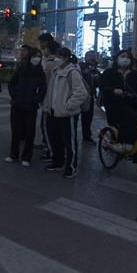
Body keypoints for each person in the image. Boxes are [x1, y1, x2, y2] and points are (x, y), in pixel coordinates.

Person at [99, 50, 137, 151]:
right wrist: (114, 91)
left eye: (127, 57)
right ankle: (123, 142)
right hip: (114, 104)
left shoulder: (134, 74)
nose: (125, 59)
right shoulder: (109, 73)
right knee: (131, 116)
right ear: (117, 58)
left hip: (131, 103)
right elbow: (102, 86)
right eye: (122, 56)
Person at [43, 47, 88, 178]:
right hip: (53, 112)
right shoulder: (56, 71)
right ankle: (57, 161)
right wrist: (47, 106)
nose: (57, 59)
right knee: (55, 139)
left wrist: (67, 106)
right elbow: (50, 90)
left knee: (70, 142)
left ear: (66, 58)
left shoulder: (72, 72)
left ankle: (71, 167)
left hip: (66, 114)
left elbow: (81, 93)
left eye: (59, 56)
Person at [5, 48, 46, 167]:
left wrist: (35, 100)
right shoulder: (21, 69)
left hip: (31, 107)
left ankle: (27, 157)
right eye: (35, 56)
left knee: (30, 133)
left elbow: (43, 89)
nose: (37, 58)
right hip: (17, 104)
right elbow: (11, 83)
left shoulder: (40, 72)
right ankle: (13, 155)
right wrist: (14, 96)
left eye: (39, 56)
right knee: (16, 131)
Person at [39, 37, 62, 163]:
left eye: (45, 48)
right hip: (59, 100)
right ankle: (57, 151)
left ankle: (51, 152)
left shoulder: (49, 64)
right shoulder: (63, 63)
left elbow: (45, 83)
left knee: (47, 128)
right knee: (56, 129)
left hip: (48, 100)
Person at [79, 51, 101, 143]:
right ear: (85, 57)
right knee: (75, 117)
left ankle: (87, 136)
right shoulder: (80, 66)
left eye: (94, 57)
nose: (93, 58)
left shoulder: (96, 70)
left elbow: (99, 83)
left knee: (88, 118)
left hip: (89, 97)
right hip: (78, 96)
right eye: (91, 56)